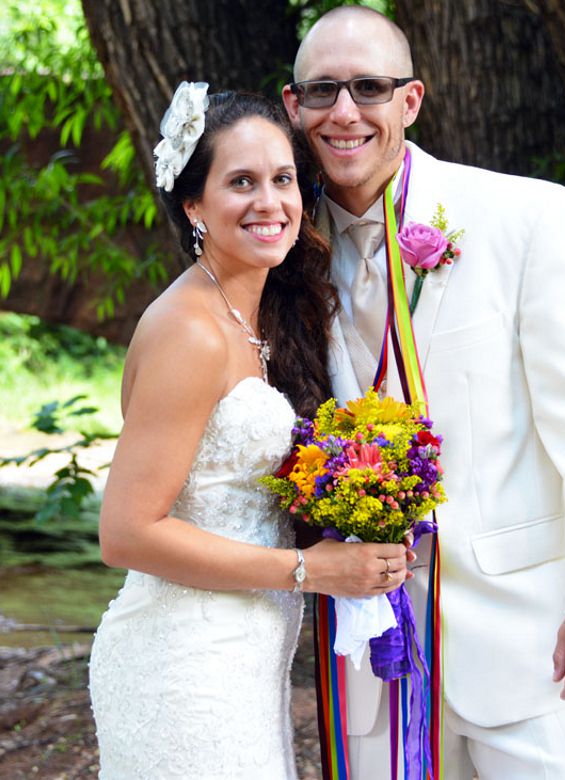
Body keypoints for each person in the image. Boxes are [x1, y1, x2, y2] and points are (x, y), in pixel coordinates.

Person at [282, 7, 565, 779]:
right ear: (293, 106)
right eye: (321, 91)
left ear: (410, 101)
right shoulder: (279, 251)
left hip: (531, 640)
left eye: (368, 88)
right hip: (368, 654)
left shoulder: (524, 217)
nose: (344, 112)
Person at [88, 85, 411, 780]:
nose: (271, 203)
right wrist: (309, 571)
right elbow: (126, 532)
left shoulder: (260, 318)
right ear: (193, 204)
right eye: (241, 182)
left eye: (283, 179)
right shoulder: (189, 332)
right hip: (182, 667)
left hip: (245, 659)